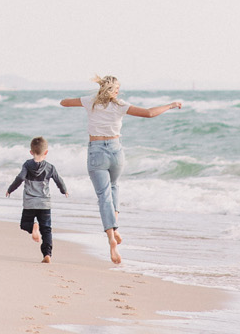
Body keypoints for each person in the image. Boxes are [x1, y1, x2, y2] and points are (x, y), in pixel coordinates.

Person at [60, 74, 182, 264]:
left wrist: (74, 100)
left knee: (103, 195)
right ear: (115, 90)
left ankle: (111, 235)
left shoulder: (90, 102)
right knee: (114, 187)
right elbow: (149, 113)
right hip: (116, 152)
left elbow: (64, 103)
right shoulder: (120, 105)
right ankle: (115, 228)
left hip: (96, 151)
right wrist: (171, 105)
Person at [5, 136, 68, 263]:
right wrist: (64, 190)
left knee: (24, 224)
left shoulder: (27, 165)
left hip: (29, 203)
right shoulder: (50, 167)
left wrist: (10, 189)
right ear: (46, 152)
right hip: (44, 203)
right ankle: (47, 254)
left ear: (31, 152)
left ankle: (33, 226)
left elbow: (20, 178)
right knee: (46, 229)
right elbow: (58, 180)